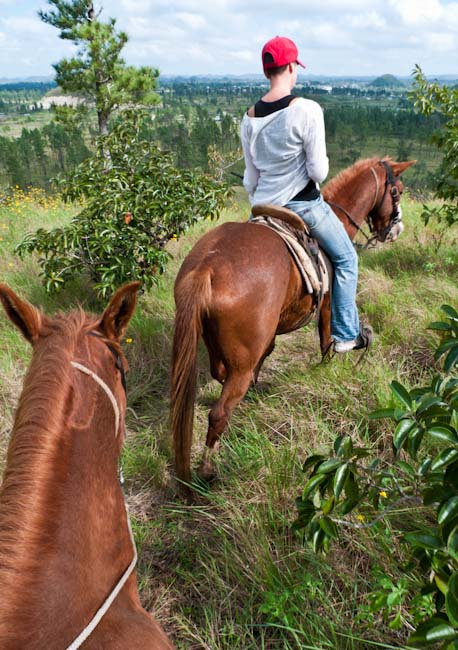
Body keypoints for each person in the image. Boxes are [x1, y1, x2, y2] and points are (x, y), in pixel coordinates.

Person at [240, 36, 372, 353]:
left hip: (262, 208)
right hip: (303, 205)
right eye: (295, 67)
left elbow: (250, 178)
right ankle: (344, 334)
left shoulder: (249, 117)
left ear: (266, 70)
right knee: (347, 259)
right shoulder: (307, 110)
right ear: (289, 67)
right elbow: (318, 173)